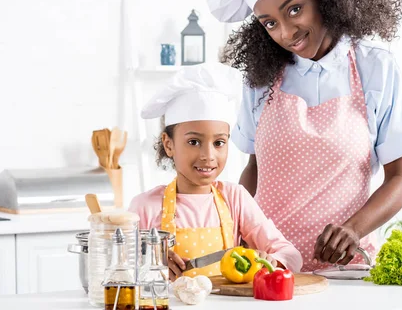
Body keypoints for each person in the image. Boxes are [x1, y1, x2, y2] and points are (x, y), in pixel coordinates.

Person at [206, 0, 402, 272]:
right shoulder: (261, 79)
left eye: (295, 9)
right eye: (270, 23)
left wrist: (353, 229)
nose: (286, 32)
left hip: (345, 270)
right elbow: (255, 168)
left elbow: (401, 176)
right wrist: (234, 237)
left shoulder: (375, 68)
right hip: (267, 267)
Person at [128, 62, 302, 281]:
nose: (208, 155)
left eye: (219, 143)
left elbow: (292, 256)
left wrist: (268, 261)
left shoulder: (235, 198)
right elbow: (120, 268)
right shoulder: (144, 206)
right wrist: (151, 262)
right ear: (168, 144)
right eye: (193, 141)